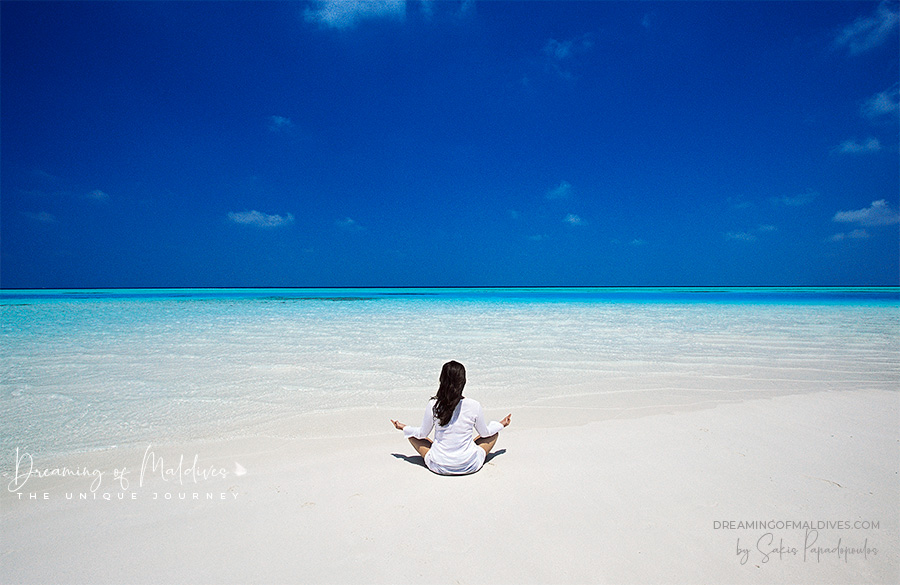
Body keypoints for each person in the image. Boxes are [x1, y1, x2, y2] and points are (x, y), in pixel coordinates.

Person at [391, 361, 511, 475]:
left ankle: (442, 452)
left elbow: (422, 434)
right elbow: (485, 433)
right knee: (494, 433)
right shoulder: (474, 405)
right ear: (463, 381)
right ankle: (463, 453)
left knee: (410, 434)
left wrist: (404, 427)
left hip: (439, 466)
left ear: (441, 380)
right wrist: (501, 425)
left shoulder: (434, 405)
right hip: (469, 465)